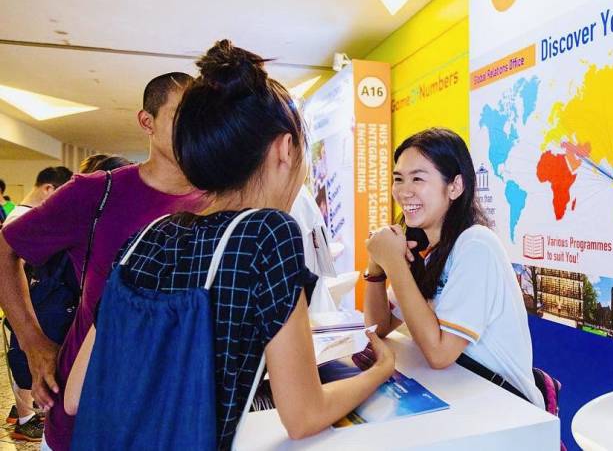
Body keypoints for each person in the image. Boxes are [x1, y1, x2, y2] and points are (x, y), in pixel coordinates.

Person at [64, 40, 394, 449]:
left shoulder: (146, 238)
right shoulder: (267, 234)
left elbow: (76, 395)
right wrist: (379, 371)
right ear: (285, 149)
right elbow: (304, 416)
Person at [0, 71, 208, 451]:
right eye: (182, 115)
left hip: (172, 415)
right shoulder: (97, 193)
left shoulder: (218, 200)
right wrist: (32, 341)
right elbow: (6, 248)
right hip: (85, 412)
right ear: (147, 121)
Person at [364, 128, 544, 408]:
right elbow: (378, 327)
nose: (404, 191)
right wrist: (376, 267)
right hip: (463, 396)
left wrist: (394, 263)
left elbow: (440, 354)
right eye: (398, 179)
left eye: (418, 179)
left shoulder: (476, 245)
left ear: (455, 186)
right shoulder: (430, 253)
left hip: (506, 406)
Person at [2, 166, 73, 442]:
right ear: (49, 189)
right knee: (23, 358)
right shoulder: (22, 217)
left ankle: (21, 412)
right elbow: (14, 269)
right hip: (28, 302)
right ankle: (24, 420)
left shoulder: (23, 214)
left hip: (35, 301)